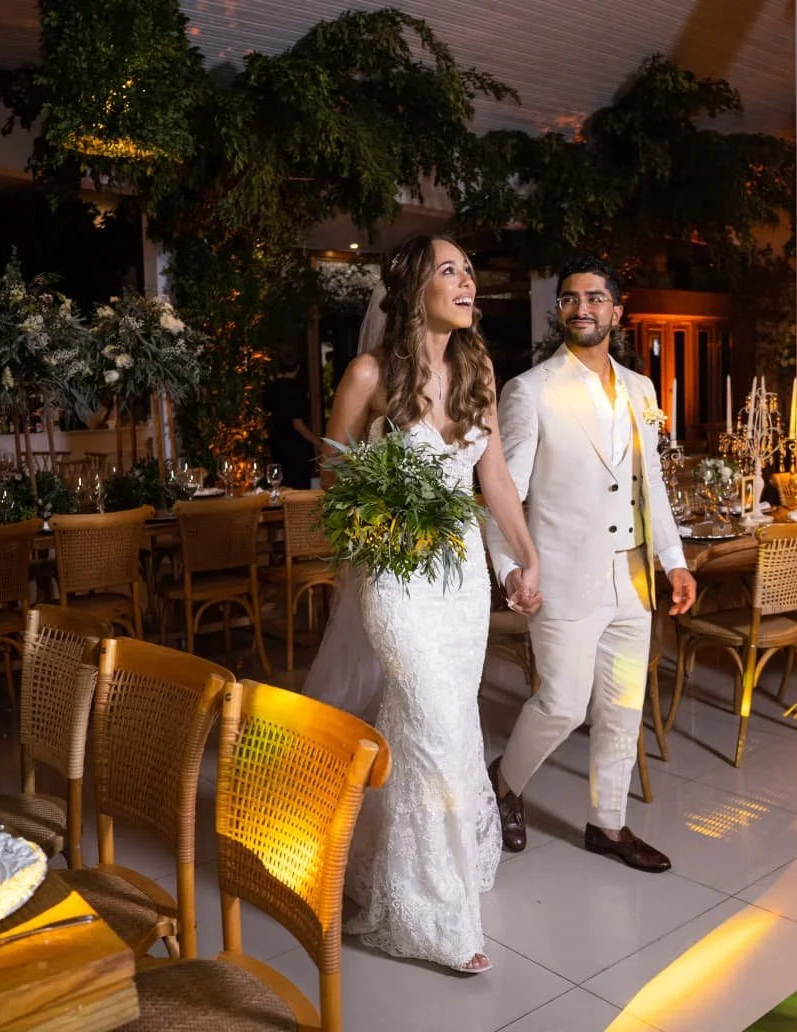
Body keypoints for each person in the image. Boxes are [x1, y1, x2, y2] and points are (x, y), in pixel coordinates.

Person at [320, 235, 542, 974]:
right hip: (395, 579)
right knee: (432, 720)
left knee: (440, 723)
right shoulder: (368, 372)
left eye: (470, 270)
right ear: (415, 288)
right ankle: (439, 921)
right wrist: (384, 510)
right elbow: (332, 478)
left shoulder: (477, 368)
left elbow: (497, 480)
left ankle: (393, 866)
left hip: (461, 580)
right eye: (450, 270)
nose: (467, 281)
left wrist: (523, 556)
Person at [484, 254, 696, 874]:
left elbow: (649, 481)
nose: (584, 307)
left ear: (616, 311)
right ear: (560, 311)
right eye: (572, 298)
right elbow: (505, 493)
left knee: (624, 705)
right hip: (564, 579)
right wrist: (511, 569)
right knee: (562, 704)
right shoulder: (530, 391)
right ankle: (504, 782)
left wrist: (674, 562)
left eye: (596, 298)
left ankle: (608, 825)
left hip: (631, 579)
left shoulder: (640, 388)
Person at [264, 355, 319, 489]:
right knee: (298, 491)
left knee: (281, 488)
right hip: (296, 449)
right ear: (297, 368)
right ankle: (296, 511)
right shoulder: (297, 390)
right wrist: (318, 442)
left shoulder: (271, 389)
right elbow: (297, 423)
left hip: (278, 446)